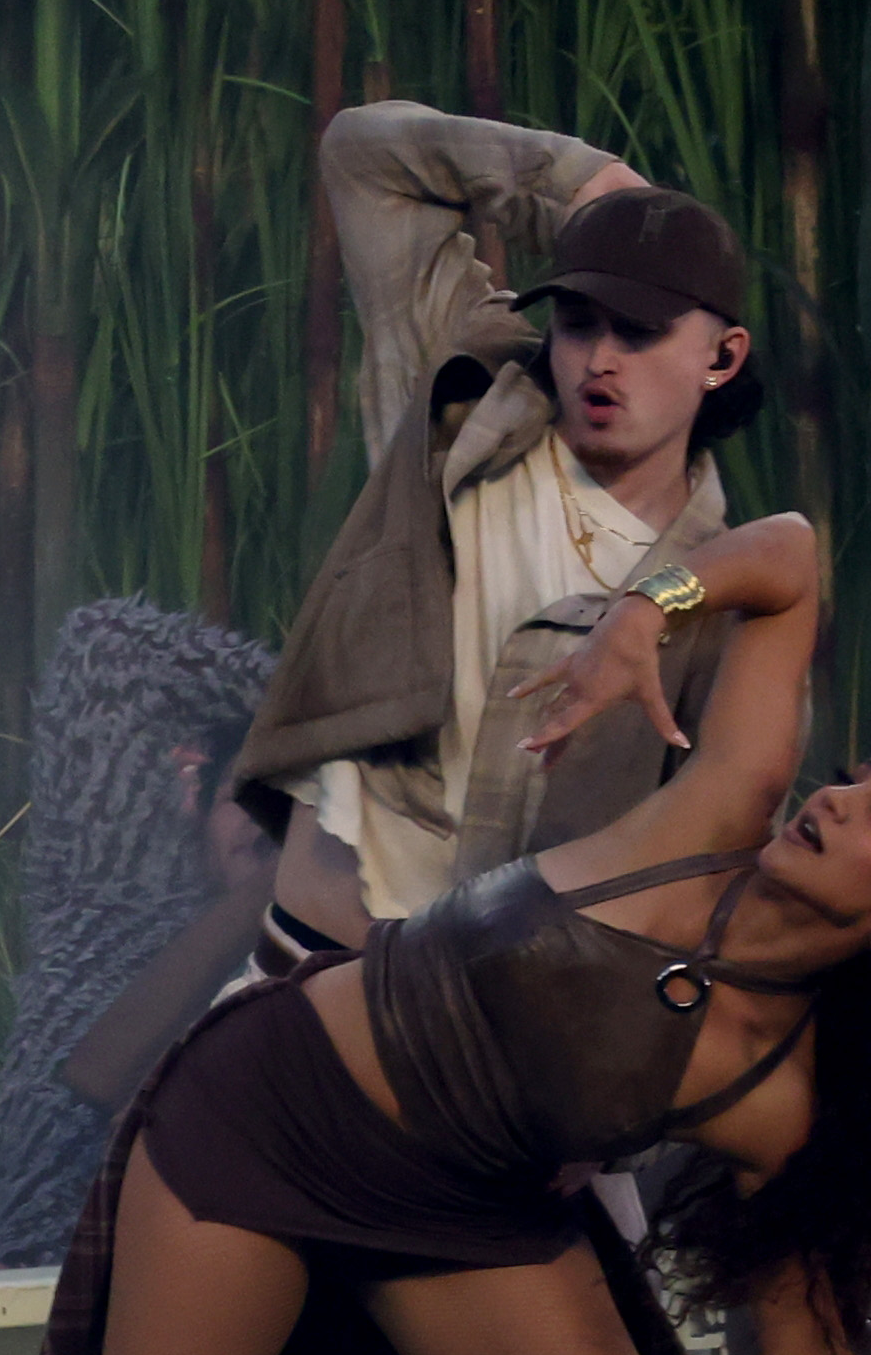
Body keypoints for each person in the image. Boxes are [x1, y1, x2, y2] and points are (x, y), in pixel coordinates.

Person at [40, 508, 852, 1355]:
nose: (842, 801)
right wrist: (645, 611)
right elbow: (789, 554)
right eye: (861, 779)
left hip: (466, 1211)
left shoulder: (779, 1100)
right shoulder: (717, 815)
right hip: (268, 1113)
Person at [237, 113, 752, 935]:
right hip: (301, 959)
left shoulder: (715, 587)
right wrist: (576, 184)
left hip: (491, 992)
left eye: (639, 331)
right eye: (578, 321)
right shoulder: (468, 393)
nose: (600, 359)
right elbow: (363, 157)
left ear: (721, 357)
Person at [0, 604, 278, 1266]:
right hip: (45, 1286)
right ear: (193, 814)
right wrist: (344, 717)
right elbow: (108, 646)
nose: (267, 815)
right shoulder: (115, 909)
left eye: (299, 799)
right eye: (245, 791)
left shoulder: (368, 955)